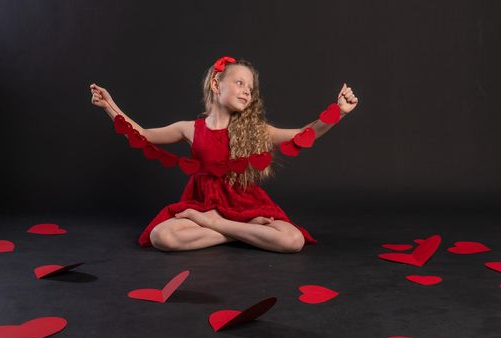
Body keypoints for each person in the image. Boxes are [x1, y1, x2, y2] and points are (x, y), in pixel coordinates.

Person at [90, 56, 358, 253]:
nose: (246, 90)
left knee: (293, 240)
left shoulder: (256, 129)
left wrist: (339, 113)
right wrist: (109, 106)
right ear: (217, 85)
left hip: (245, 204)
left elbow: (303, 133)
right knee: (162, 236)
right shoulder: (190, 129)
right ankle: (238, 232)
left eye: (250, 88)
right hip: (203, 203)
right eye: (240, 83)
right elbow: (143, 135)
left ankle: (218, 226)